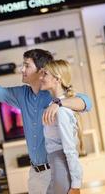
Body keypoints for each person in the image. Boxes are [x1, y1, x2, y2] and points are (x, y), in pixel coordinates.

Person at [0, 49, 91, 194]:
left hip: (55, 171)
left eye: (27, 65)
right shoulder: (22, 94)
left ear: (41, 71)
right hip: (35, 173)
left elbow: (86, 102)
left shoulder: (53, 94)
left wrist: (58, 103)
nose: (22, 69)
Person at [40, 60, 83, 194]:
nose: (41, 78)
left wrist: (76, 185)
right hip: (56, 167)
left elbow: (70, 150)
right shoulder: (55, 105)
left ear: (57, 79)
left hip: (61, 168)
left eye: (45, 74)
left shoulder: (61, 111)